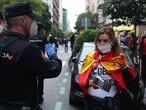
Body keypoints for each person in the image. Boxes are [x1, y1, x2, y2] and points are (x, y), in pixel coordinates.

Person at [0, 2, 62, 110]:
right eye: (32, 19)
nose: (34, 24)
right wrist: (53, 56)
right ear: (23, 20)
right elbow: (53, 70)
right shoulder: (28, 49)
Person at [79, 27, 137, 110]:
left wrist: (123, 67)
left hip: (112, 103)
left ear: (112, 42)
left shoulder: (118, 58)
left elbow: (129, 81)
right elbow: (82, 79)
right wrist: (89, 83)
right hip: (92, 103)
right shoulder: (90, 58)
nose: (102, 43)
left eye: (105, 41)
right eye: (99, 40)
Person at [29, 23, 48, 104]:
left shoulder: (30, 38)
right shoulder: (43, 37)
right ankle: (40, 97)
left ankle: (33, 96)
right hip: (41, 61)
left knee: (31, 79)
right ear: (41, 29)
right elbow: (46, 44)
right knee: (41, 80)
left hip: (31, 61)